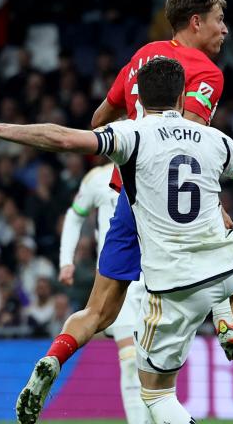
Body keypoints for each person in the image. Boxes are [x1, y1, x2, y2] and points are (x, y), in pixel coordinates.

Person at [0, 0, 233, 424]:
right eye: (219, 20)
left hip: (125, 196)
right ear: (197, 22)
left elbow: (100, 117)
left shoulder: (140, 58)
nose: (224, 30)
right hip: (166, 203)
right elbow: (187, 138)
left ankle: (55, 357)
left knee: (98, 310)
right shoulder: (206, 72)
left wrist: (2, 128)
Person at [57, 161, 150, 423]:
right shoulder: (97, 178)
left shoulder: (154, 163)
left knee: (153, 361)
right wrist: (66, 260)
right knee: (130, 360)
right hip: (116, 279)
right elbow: (75, 214)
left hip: (156, 273)